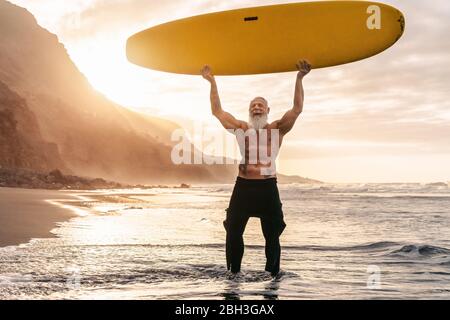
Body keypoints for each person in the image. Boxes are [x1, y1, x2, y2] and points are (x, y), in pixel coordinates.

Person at [201, 60, 312, 277]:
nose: (257, 107)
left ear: (268, 110)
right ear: (250, 111)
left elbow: (297, 109)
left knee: (272, 235)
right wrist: (212, 81)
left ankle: (272, 278)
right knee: (233, 231)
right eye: (253, 105)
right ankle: (233, 274)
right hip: (243, 187)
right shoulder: (241, 128)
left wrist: (299, 78)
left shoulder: (278, 129)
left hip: (267, 188)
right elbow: (217, 111)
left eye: (260, 104)